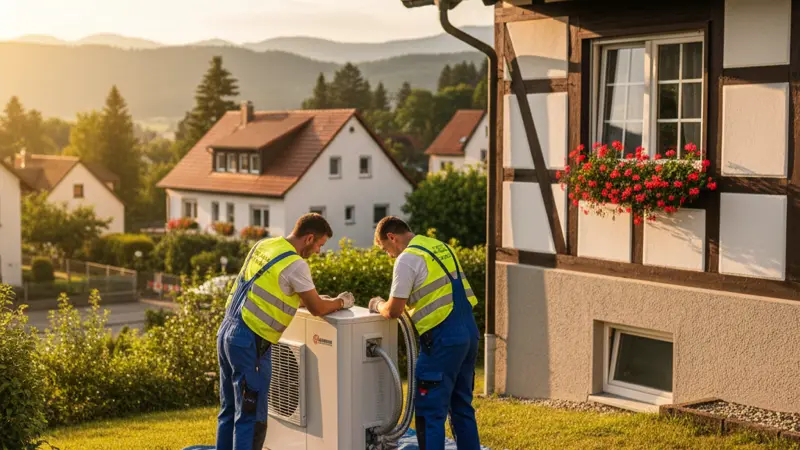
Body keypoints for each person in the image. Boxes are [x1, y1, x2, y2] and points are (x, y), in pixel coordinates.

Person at [216, 213, 355, 450]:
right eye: (320, 245)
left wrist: (307, 299)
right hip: (251, 342)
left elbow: (267, 288)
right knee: (250, 415)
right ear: (309, 238)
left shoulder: (265, 244)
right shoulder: (296, 264)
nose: (318, 252)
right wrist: (342, 302)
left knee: (229, 409)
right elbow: (317, 308)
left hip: (227, 332)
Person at [369, 216, 480, 450]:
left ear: (392, 237)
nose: (389, 255)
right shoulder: (440, 247)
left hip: (442, 341)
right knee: (462, 408)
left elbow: (394, 310)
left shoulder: (407, 259)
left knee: (430, 413)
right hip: (469, 334)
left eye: (386, 249)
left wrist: (377, 304)